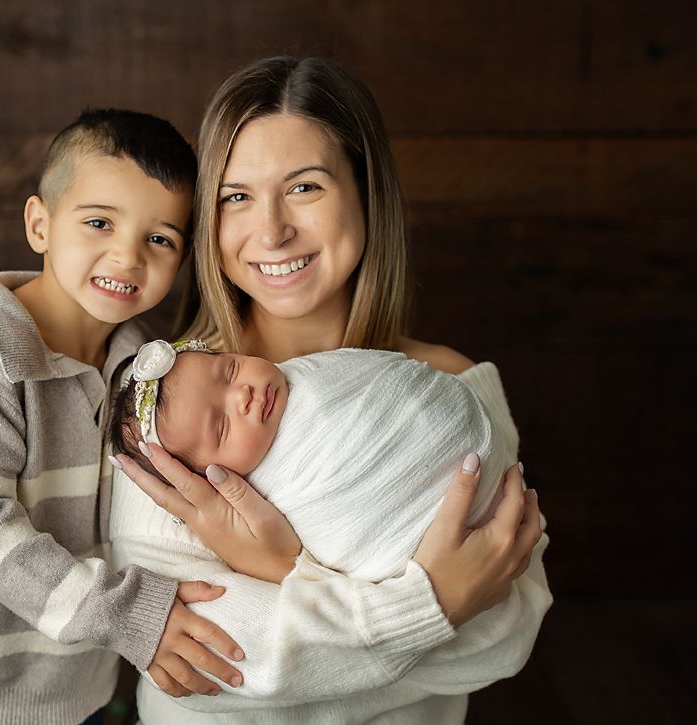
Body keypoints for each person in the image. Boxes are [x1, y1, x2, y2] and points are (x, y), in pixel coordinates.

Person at [108, 57, 549, 723]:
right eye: (235, 197)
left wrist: (285, 572)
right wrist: (435, 606)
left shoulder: (453, 387)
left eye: (305, 187)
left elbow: (503, 641)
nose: (271, 230)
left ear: (366, 192)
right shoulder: (171, 413)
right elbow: (222, 669)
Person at [0, 109, 249, 725]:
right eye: (99, 222)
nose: (128, 256)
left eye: (159, 238)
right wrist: (132, 613)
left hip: (85, 675)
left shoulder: (138, 364)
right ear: (40, 224)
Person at [111, 340, 519, 582]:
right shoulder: (238, 512)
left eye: (230, 369)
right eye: (221, 426)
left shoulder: (316, 371)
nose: (243, 395)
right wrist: (284, 568)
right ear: (200, 481)